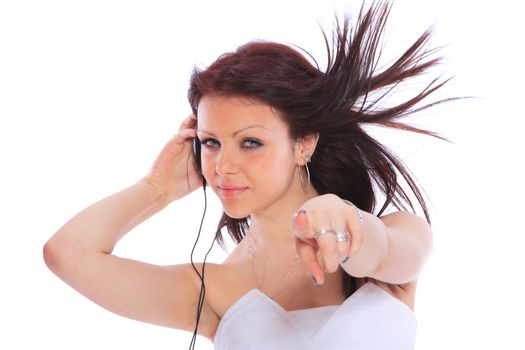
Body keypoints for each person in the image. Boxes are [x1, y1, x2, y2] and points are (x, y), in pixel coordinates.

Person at [44, 1, 449, 349]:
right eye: (211, 142)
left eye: (250, 142)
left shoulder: (398, 232)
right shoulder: (215, 288)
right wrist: (157, 189)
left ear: (303, 142)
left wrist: (343, 222)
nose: (223, 166)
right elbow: (67, 255)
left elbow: (380, 251)